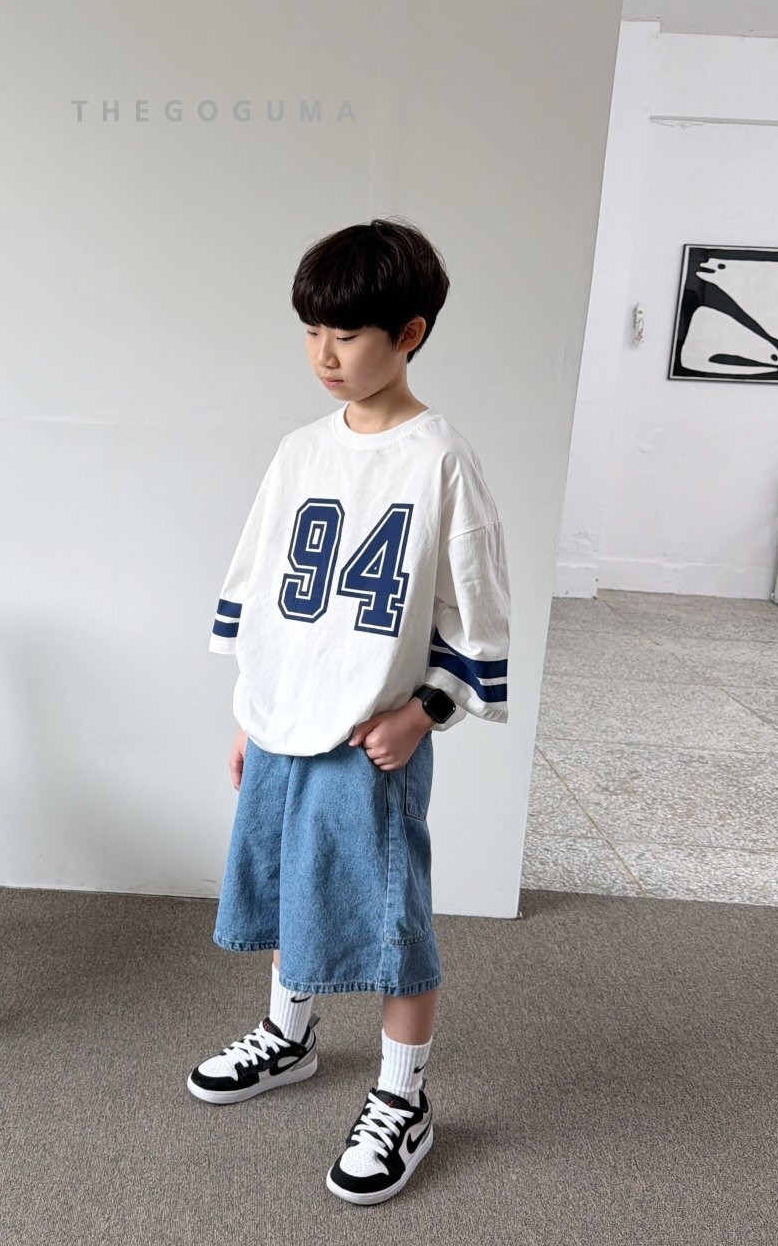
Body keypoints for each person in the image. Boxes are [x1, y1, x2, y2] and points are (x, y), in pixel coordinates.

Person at [186, 218, 511, 1206]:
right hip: (284, 725)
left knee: (387, 918)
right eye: (310, 331)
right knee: (289, 882)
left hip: (370, 737)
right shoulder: (299, 452)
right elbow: (263, 588)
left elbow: (473, 610)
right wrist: (252, 714)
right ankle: (288, 1036)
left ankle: (403, 1095)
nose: (324, 354)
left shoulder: (439, 459)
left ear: (409, 334)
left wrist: (424, 711)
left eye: (347, 333)